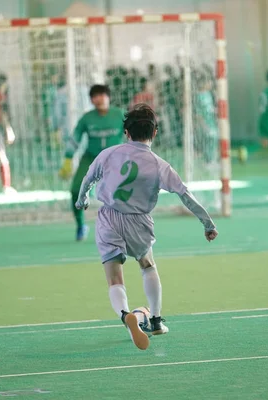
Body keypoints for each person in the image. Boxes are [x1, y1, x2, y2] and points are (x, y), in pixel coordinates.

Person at [74, 104, 218, 350]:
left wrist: (82, 198)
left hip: (109, 217)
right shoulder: (160, 164)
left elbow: (89, 177)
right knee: (147, 265)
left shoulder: (108, 154)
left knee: (114, 276)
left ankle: (125, 314)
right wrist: (207, 224)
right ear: (155, 133)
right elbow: (185, 194)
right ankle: (155, 319)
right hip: (139, 220)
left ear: (126, 133)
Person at [58, 84, 125, 241]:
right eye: (95, 96)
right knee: (75, 190)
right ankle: (81, 225)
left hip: (114, 160)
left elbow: (134, 135)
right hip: (91, 159)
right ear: (91, 100)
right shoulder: (86, 119)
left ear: (108, 97)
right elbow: (75, 139)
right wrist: (68, 159)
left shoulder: (120, 115)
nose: (98, 99)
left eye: (102, 95)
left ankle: (120, 228)